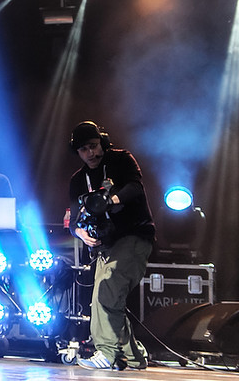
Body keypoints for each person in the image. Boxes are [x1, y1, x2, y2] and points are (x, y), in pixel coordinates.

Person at [67, 121, 155, 370]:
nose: (91, 153)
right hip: (105, 246)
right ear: (78, 153)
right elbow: (74, 222)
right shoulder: (77, 181)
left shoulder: (121, 159)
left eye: (94, 146)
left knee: (107, 290)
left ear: (102, 142)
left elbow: (135, 187)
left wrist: (110, 200)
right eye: (84, 150)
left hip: (134, 236)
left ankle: (107, 353)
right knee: (103, 299)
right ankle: (134, 355)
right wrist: (82, 233)